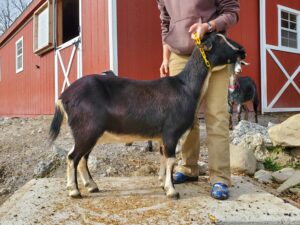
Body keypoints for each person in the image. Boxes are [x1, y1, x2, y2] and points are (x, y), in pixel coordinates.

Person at [157, 0, 240, 200]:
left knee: (216, 114)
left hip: (212, 52)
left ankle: (219, 177)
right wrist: (165, 58)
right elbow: (166, 23)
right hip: (179, 55)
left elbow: (232, 12)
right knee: (184, 118)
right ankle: (188, 168)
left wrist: (209, 26)